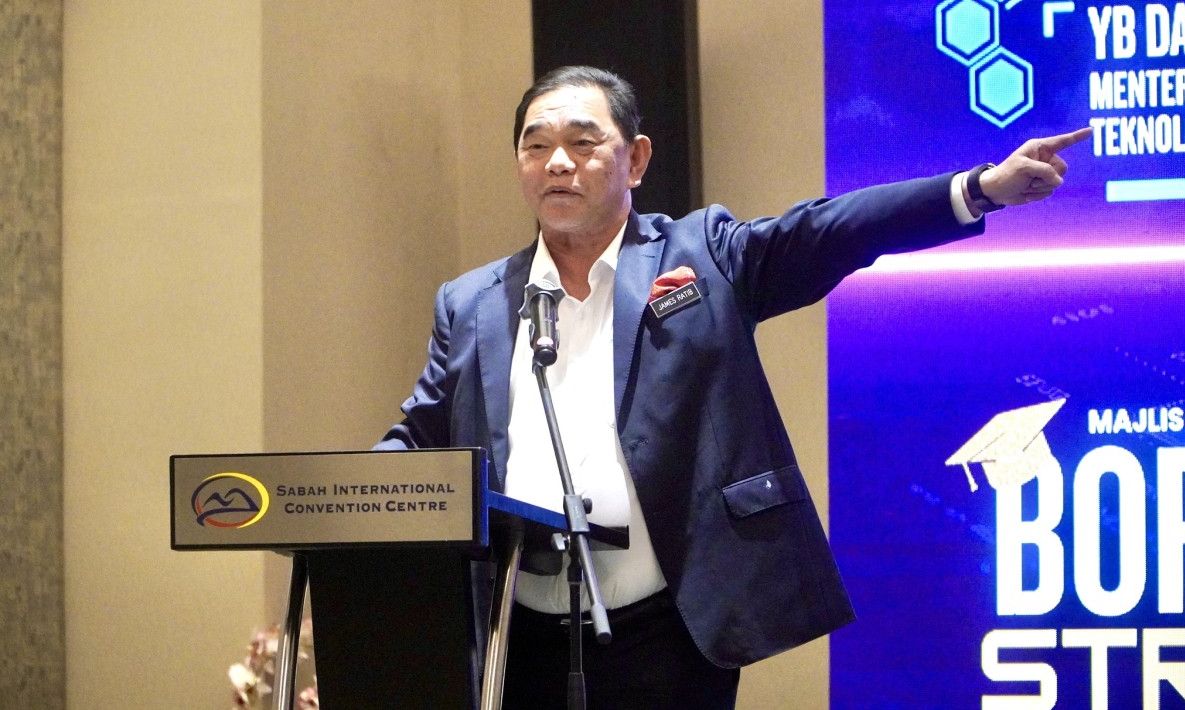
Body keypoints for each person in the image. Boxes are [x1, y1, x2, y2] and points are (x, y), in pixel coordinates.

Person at [375, 65, 1092, 709]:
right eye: (535, 146)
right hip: (515, 635)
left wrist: (977, 190)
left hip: (669, 631)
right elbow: (420, 435)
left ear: (636, 159)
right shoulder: (472, 303)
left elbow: (829, 230)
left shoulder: (701, 255)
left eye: (582, 143)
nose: (557, 162)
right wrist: (347, 506)